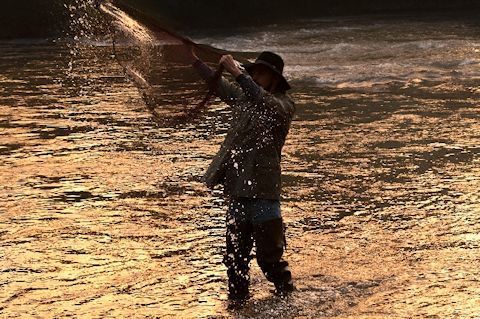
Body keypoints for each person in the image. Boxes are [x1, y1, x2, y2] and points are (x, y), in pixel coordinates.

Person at [190, 49, 296, 307]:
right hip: (237, 191)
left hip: (264, 194)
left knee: (269, 262)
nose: (256, 76)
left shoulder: (283, 106)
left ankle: (288, 300)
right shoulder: (244, 99)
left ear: (274, 79)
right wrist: (195, 62)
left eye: (261, 73)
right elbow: (220, 87)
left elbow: (263, 101)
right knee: (235, 260)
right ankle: (238, 306)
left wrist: (238, 73)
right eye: (254, 72)